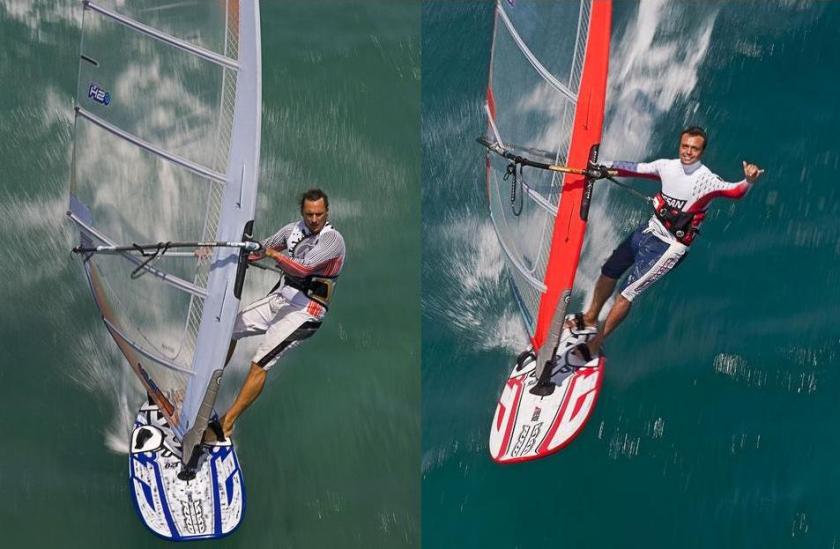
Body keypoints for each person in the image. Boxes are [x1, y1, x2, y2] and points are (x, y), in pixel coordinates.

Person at [569, 126, 764, 361]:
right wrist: (601, 166)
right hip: (649, 230)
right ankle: (590, 318)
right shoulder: (667, 167)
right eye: (685, 146)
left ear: (702, 152)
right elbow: (635, 168)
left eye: (694, 148)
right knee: (609, 270)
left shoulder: (707, 180)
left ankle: (595, 344)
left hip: (670, 247)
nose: (688, 152)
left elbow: (734, 192)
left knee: (627, 293)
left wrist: (749, 180)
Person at [204, 188, 345, 439]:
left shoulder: (333, 240)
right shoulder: (292, 231)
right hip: (282, 298)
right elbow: (260, 249)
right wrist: (215, 251)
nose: (314, 219)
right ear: (302, 212)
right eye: (309, 214)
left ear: (327, 212)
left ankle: (226, 424)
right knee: (229, 329)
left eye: (319, 214)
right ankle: (206, 386)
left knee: (260, 361)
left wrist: (272, 254)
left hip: (307, 310)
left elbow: (303, 269)